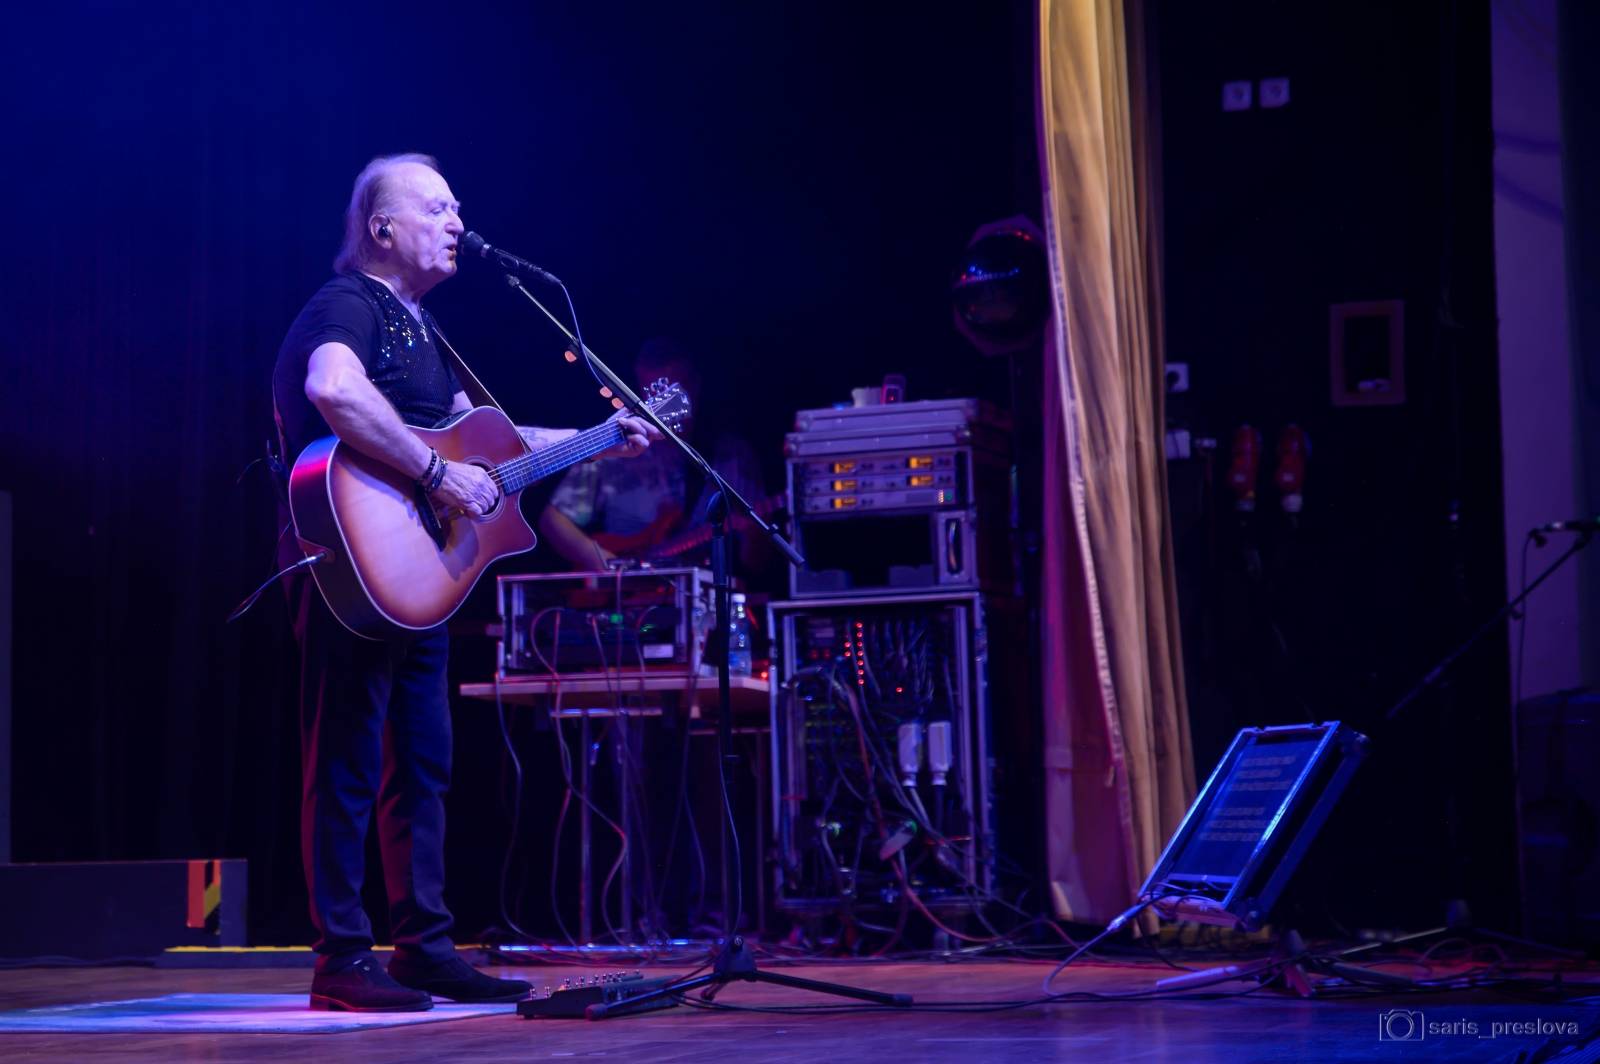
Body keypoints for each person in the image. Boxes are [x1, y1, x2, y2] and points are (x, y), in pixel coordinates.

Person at [271, 153, 656, 1012]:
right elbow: (333, 388)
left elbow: (485, 437)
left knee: (425, 763)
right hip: (348, 568)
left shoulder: (424, 332)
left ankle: (423, 947)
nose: (457, 222)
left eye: (457, 208)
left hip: (418, 577)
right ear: (383, 229)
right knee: (344, 760)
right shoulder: (350, 304)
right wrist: (436, 479)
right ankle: (341, 956)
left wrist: (602, 435)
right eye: (438, 208)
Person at [537, 338, 771, 573]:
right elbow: (553, 520)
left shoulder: (732, 457)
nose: (666, 402)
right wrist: (601, 560)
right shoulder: (613, 449)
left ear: (696, 385)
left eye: (677, 391)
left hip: (705, 591)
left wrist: (754, 535)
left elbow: (757, 563)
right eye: (656, 391)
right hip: (627, 597)